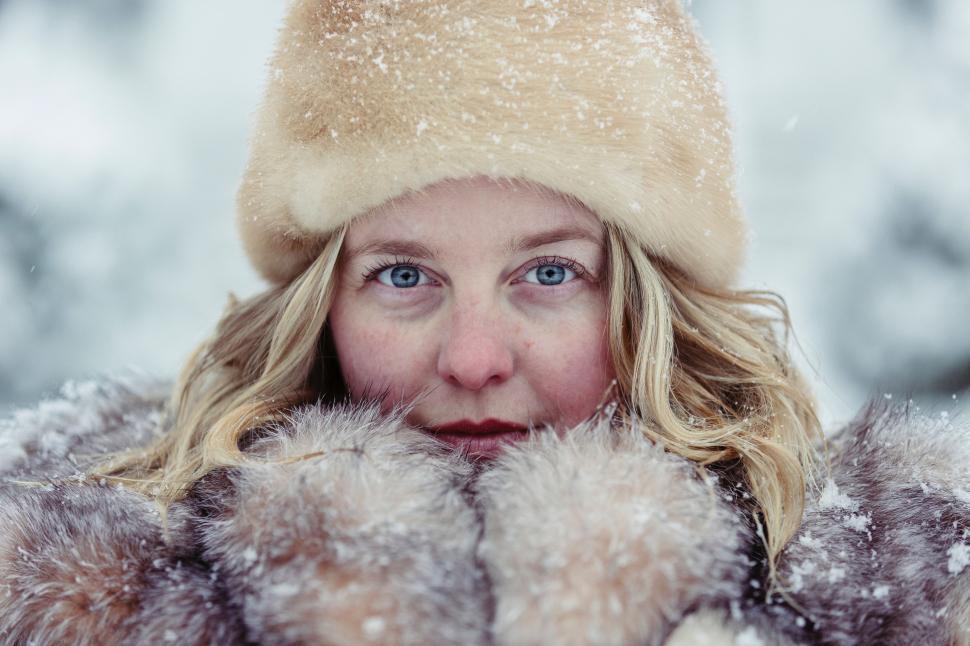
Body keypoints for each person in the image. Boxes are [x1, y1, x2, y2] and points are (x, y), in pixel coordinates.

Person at [1, 1, 967, 643]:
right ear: (319, 304)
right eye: (404, 274)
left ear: (651, 299)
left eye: (549, 272)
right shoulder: (81, 588)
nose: (472, 358)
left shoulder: (896, 585)